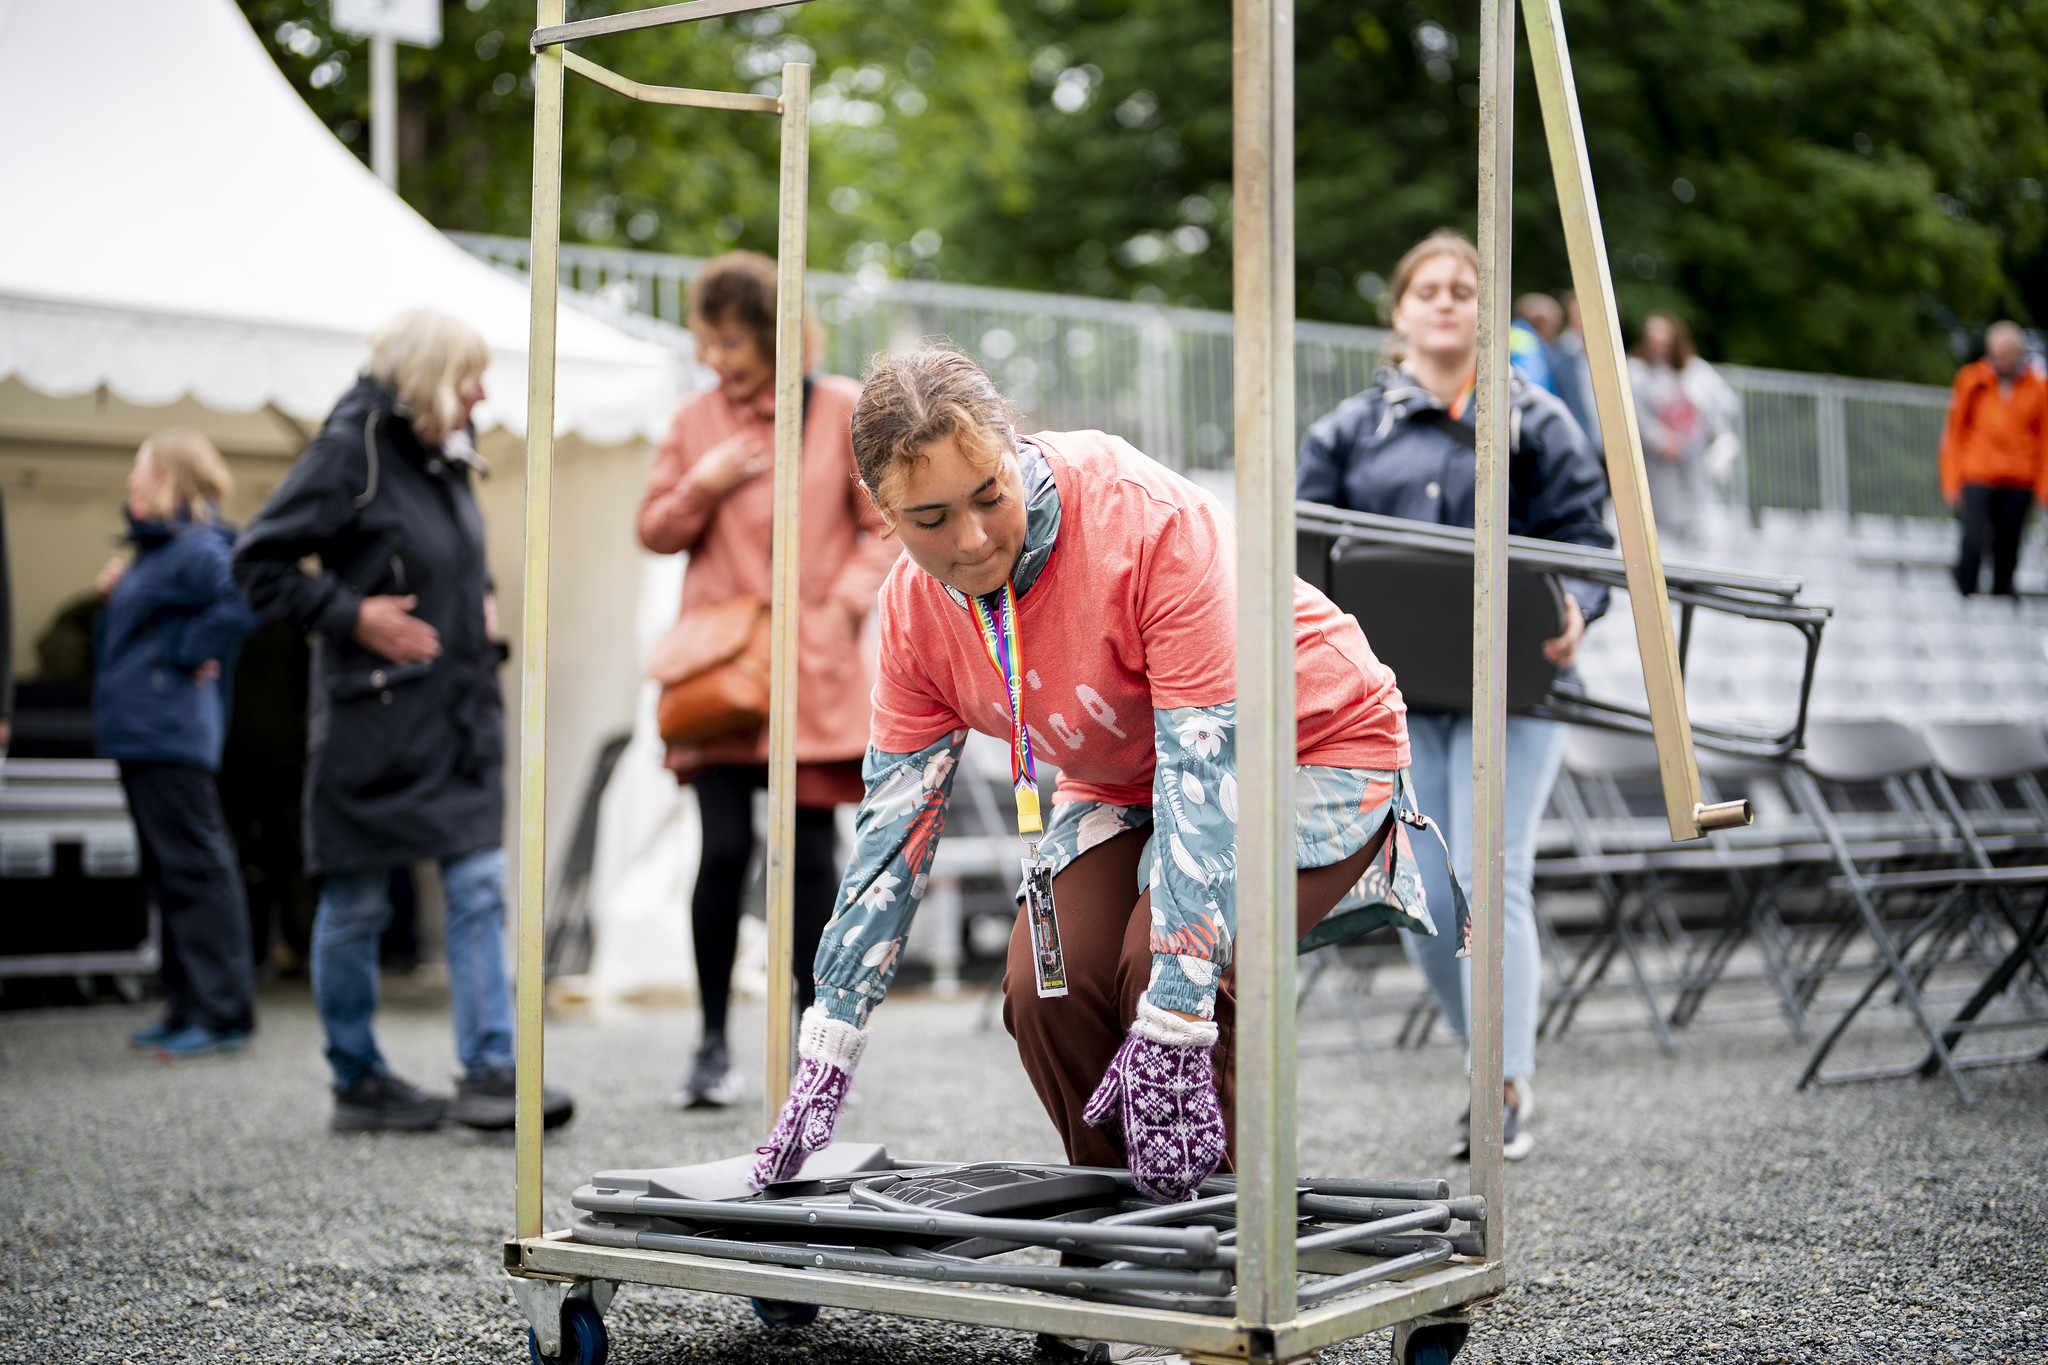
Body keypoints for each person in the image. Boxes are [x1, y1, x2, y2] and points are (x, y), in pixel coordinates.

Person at [750, 346, 1436, 1244]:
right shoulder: (915, 615)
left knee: (1165, 965)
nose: (971, 538)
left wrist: (1178, 1011)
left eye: (989, 495)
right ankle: (1127, 1230)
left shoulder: (1144, 520)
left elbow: (1205, 767)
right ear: (880, 514)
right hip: (1127, 776)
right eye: (929, 517)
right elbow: (892, 829)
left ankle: (1222, 1252)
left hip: (1304, 745)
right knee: (1047, 982)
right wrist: (831, 1033)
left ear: (1013, 446)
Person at [1298, 229, 1613, 1160]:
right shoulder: (1349, 430)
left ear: (1489, 309)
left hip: (1514, 691)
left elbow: (1587, 541)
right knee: (1421, 891)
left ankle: (1501, 1085)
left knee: (1489, 871)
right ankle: (1485, 1057)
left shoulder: (1537, 419)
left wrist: (1583, 609)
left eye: (1464, 288)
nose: (1445, 300)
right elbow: (1301, 553)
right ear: (1398, 313)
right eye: (1426, 288)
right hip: (1387, 700)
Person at [233, 309, 573, 1134]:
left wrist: (478, 600)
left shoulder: (441, 451)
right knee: (354, 904)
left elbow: (438, 558)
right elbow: (257, 563)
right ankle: (358, 1080)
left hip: (457, 716)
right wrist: (352, 614)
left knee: (478, 887)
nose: (483, 395)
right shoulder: (351, 447)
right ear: (427, 377)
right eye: (469, 378)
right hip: (373, 724)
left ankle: (491, 1070)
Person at [638, 251, 899, 1109]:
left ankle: (807, 1050)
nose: (717, 357)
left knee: (811, 861)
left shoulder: (838, 411)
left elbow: (885, 525)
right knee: (721, 851)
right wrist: (702, 484)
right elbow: (655, 529)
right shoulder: (692, 421)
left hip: (812, 672)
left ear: (779, 336)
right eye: (707, 340)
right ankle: (711, 1041)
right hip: (721, 675)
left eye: (734, 341)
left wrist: (843, 604)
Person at [94, 432, 262, 1058]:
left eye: (140, 469)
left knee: (197, 871)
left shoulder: (196, 547)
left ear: (168, 477)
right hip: (144, 732)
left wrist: (191, 649)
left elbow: (246, 597)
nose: (131, 482)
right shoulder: (159, 552)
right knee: (171, 877)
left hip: (170, 734)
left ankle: (222, 1016)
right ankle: (186, 1004)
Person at [1941, 321, 2047, 597]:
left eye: (2008, 353)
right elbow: (1953, 434)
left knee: (2007, 549)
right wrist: (1952, 480)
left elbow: (2045, 439)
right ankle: (1963, 596)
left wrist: (2043, 484)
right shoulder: (1972, 380)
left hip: (2019, 478)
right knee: (1972, 540)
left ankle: (2001, 607)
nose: (2001, 359)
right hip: (1978, 473)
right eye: (1997, 353)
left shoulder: (2037, 387)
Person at [1627, 310, 1741, 544]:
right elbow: (1635, 414)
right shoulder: (1637, 372)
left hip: (1693, 462)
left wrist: (1717, 445)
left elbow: (1717, 413)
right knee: (1659, 521)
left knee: (1698, 520)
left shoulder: (1694, 372)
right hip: (1657, 464)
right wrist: (1660, 439)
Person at [1549, 291, 1604, 456]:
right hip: (1580, 444)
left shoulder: (1605, 354)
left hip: (1605, 443)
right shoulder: (1559, 354)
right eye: (1578, 313)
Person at [1510, 292, 1563, 396]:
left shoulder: (1511, 334)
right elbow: (1535, 389)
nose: (1555, 331)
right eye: (1554, 324)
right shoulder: (1528, 343)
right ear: (1541, 321)